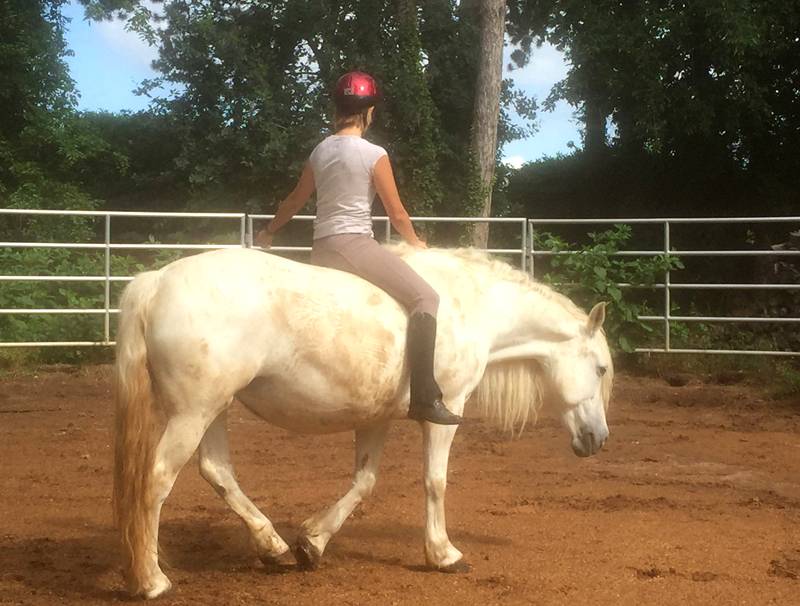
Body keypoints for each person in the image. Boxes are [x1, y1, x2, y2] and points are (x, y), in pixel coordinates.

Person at [254, 70, 461, 425]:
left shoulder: (320, 151)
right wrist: (417, 243)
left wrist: (268, 231)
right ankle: (425, 397)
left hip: (321, 249)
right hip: (355, 246)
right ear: (369, 112)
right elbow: (396, 213)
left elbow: (295, 199)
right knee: (426, 298)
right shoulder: (373, 153)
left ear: (339, 109)